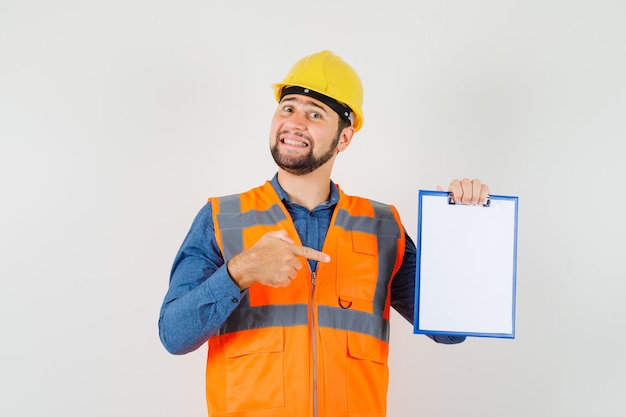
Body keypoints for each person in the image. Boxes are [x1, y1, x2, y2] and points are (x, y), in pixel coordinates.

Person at [158, 50, 490, 417]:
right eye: (288, 108)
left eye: (314, 113)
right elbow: (174, 335)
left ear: (344, 138)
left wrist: (463, 228)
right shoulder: (222, 218)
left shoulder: (382, 226)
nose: (295, 122)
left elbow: (451, 329)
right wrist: (240, 271)